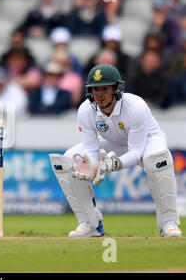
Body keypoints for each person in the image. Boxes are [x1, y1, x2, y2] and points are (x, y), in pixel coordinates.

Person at [49, 64, 182, 238]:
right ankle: (90, 224)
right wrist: (91, 165)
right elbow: (90, 148)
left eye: (105, 89)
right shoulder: (85, 110)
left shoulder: (136, 106)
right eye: (95, 90)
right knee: (68, 160)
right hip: (114, 142)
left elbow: (135, 151)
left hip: (148, 141)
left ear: (117, 89)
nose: (100, 95)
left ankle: (168, 222)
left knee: (157, 160)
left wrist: (115, 164)